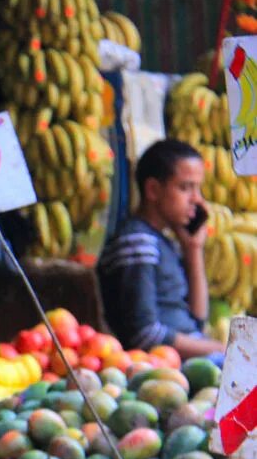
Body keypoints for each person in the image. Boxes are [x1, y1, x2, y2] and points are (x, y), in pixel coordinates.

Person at [97, 139, 226, 359]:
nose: (197, 199)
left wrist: (193, 249)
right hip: (162, 366)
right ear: (153, 190)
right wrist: (223, 350)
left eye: (198, 188)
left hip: (189, 355)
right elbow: (144, 335)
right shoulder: (137, 242)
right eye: (185, 188)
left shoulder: (164, 242)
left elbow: (197, 319)